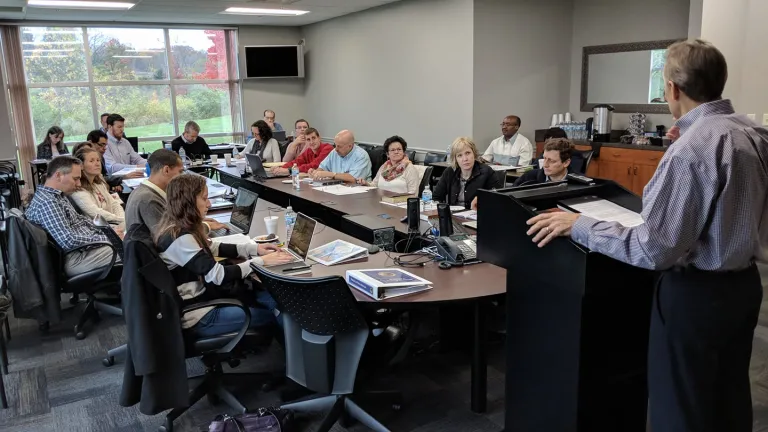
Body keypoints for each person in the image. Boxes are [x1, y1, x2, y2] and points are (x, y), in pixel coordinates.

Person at [526, 39, 768, 432]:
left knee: (683, 406)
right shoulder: (752, 131)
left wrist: (580, 225)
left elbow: (653, 249)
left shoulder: (692, 148)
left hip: (696, 296)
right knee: (727, 397)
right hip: (742, 289)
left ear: (673, 88)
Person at [155, 174, 294, 337]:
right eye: (204, 198)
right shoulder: (179, 239)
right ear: (189, 202)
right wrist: (261, 261)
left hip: (204, 300)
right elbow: (218, 275)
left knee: (267, 300)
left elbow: (213, 247)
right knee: (273, 313)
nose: (209, 204)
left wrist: (254, 249)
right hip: (200, 315)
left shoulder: (177, 226)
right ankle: (294, 358)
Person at [25, 156, 120, 277]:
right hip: (75, 258)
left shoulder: (57, 196)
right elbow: (68, 240)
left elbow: (81, 221)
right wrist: (108, 239)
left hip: (83, 251)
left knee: (132, 244)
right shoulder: (48, 202)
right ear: (58, 175)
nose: (79, 184)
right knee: (134, 249)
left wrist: (109, 232)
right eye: (75, 179)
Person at [125, 149, 225, 237]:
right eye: (180, 172)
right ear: (166, 170)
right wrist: (205, 226)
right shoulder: (148, 199)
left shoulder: (144, 191)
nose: (182, 176)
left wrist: (196, 224)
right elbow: (167, 238)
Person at [434, 137, 502, 209]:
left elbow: (499, 197)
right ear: (456, 159)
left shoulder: (486, 172)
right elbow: (436, 197)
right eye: (460, 155)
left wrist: (482, 199)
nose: (465, 159)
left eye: (468, 153)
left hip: (477, 216)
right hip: (453, 216)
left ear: (474, 154)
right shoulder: (449, 172)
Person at [71, 147, 125, 229]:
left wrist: (122, 219)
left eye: (98, 160)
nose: (97, 164)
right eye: (91, 161)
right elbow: (95, 213)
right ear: (81, 166)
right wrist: (121, 220)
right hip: (98, 229)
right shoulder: (78, 190)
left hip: (115, 222)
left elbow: (114, 203)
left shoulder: (99, 183)